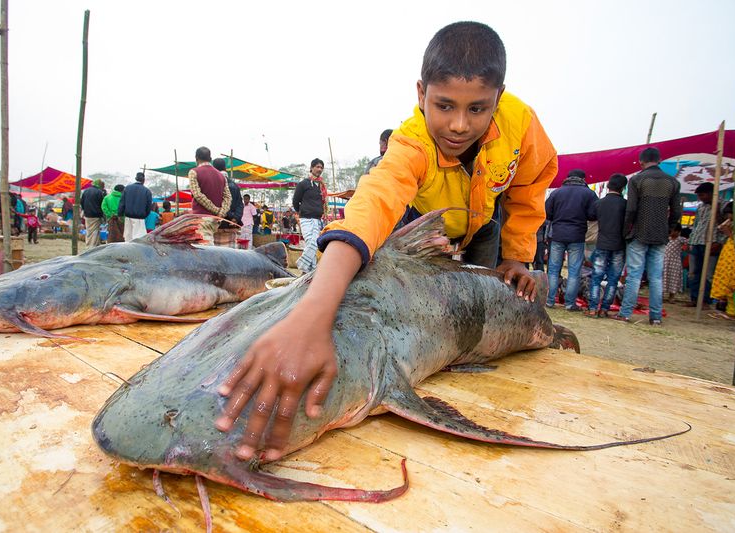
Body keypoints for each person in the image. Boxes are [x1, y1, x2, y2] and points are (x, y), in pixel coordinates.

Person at [215, 22, 557, 463]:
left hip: (485, 223)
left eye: (477, 109)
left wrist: (517, 256)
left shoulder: (522, 124)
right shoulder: (411, 142)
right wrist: (311, 314)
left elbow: (528, 189)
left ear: (499, 97)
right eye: (444, 105)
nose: (458, 125)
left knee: (482, 302)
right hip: (421, 218)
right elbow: (372, 206)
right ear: (421, 93)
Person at [613, 147, 681, 325]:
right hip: (660, 234)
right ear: (659, 161)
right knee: (656, 277)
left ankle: (625, 314)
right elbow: (676, 211)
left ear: (641, 162)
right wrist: (669, 229)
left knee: (634, 275)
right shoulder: (672, 182)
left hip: (639, 233)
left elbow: (631, 209)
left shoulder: (637, 180)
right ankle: (656, 317)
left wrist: (626, 231)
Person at [544, 169, 598, 310]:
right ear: (583, 179)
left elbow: (547, 213)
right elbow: (593, 215)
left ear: (567, 178)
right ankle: (569, 303)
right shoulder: (589, 194)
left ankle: (549, 300)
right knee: (574, 271)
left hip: (557, 235)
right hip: (577, 236)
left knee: (553, 270)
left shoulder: (556, 192)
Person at [585, 173, 627, 317]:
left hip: (602, 243)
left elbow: (591, 216)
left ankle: (592, 308)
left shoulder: (599, 203)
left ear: (608, 185)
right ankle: (604, 309)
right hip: (619, 245)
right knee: (613, 279)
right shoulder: (625, 205)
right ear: (623, 187)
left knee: (596, 277)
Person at [686, 182, 726, 307]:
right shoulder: (700, 207)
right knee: (694, 272)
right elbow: (696, 225)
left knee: (708, 274)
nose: (700, 198)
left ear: (711, 193)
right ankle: (694, 298)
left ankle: (705, 300)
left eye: (702, 195)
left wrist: (720, 242)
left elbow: (726, 225)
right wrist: (690, 241)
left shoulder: (723, 205)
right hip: (697, 242)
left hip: (712, 243)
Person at [292, 159, 327, 273]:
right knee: (312, 243)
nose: (319, 169)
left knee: (313, 244)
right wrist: (302, 211)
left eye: (321, 167)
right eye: (317, 167)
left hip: (317, 220)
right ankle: (302, 265)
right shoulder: (304, 184)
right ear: (311, 168)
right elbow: (295, 201)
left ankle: (310, 271)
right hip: (306, 219)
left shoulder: (321, 186)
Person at [189, 147, 231, 235]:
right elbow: (228, 197)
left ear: (196, 158)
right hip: (216, 219)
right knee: (210, 239)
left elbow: (198, 195)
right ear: (210, 159)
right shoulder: (221, 176)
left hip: (201, 217)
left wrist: (215, 210)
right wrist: (221, 213)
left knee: (205, 242)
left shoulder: (193, 172)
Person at [710, 202, 735, 318]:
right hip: (728, 253)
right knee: (726, 280)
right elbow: (720, 227)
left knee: (733, 282)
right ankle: (729, 309)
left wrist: (728, 231)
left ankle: (733, 311)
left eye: (729, 214)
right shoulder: (731, 223)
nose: (728, 217)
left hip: (734, 254)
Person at [213, 157, 243, 248]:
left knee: (215, 253)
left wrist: (230, 216)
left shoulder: (212, 184)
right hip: (231, 226)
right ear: (225, 168)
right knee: (231, 253)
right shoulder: (234, 185)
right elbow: (240, 204)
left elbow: (218, 204)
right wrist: (235, 218)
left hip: (217, 225)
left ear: (213, 169)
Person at [118, 172, 153, 242]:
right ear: (144, 180)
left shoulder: (127, 188)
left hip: (128, 217)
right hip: (139, 218)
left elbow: (122, 203)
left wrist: (120, 214)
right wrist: (144, 215)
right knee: (138, 239)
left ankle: (127, 249)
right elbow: (149, 206)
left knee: (128, 237)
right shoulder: (147, 191)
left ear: (136, 178)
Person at [663, 223, 688, 303]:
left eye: (673, 231)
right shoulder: (667, 238)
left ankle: (672, 296)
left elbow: (688, 243)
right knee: (664, 278)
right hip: (665, 262)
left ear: (678, 231)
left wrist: (685, 248)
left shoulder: (681, 239)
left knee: (673, 279)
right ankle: (661, 295)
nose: (672, 232)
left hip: (675, 263)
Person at [80, 179, 106, 247]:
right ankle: (93, 245)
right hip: (96, 215)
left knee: (89, 230)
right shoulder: (99, 192)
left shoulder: (86, 191)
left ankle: (88, 244)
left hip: (87, 214)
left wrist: (84, 210)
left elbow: (82, 202)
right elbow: (102, 204)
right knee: (95, 231)